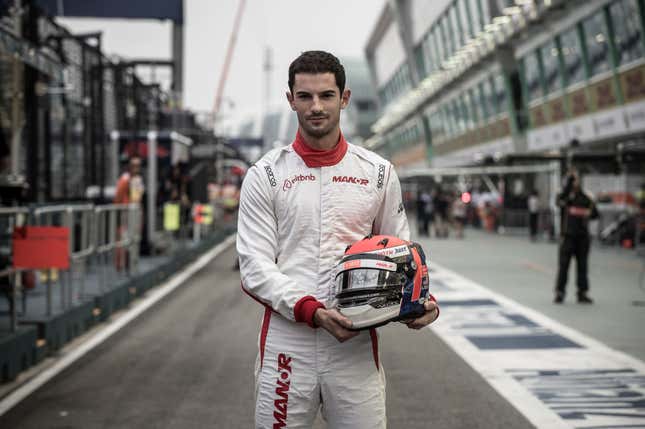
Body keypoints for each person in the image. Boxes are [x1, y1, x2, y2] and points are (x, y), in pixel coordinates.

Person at [237, 51, 439, 428]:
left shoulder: (378, 173)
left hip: (354, 344)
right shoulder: (265, 175)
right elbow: (253, 267)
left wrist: (421, 303)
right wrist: (310, 310)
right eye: (305, 96)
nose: (316, 106)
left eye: (327, 95)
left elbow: (401, 256)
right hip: (287, 343)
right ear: (290, 99)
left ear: (344, 98)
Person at [554, 171, 599, 304]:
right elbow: (559, 202)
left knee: (583, 267)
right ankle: (560, 292)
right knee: (563, 266)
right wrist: (568, 185)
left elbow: (595, 214)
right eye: (573, 180)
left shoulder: (587, 197)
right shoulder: (564, 196)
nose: (575, 182)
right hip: (567, 237)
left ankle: (582, 293)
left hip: (582, 238)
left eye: (577, 179)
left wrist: (586, 213)